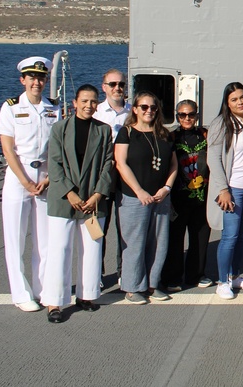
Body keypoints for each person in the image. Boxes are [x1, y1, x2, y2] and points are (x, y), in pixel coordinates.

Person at [42, 84, 115, 323]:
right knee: (59, 250)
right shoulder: (59, 129)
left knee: (92, 248)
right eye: (84, 101)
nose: (88, 106)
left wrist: (97, 194)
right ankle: (55, 301)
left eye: (93, 102)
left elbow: (108, 165)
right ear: (74, 103)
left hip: (92, 199)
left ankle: (87, 295)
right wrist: (70, 193)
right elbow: (54, 165)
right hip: (64, 199)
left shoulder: (103, 131)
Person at [0, 56, 59, 312]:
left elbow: (57, 147)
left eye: (41, 77)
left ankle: (43, 289)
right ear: (23, 80)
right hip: (18, 176)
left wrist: (48, 178)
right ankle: (21, 293)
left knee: (45, 240)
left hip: (45, 176)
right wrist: (24, 181)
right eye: (32, 77)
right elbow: (8, 149)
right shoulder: (10, 107)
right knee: (15, 239)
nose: (37, 82)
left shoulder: (53, 108)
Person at [115, 93, 177, 304]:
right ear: (135, 109)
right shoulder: (127, 133)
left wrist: (167, 188)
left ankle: (152, 284)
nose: (148, 110)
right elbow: (121, 163)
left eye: (152, 107)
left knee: (160, 242)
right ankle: (133, 287)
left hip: (160, 198)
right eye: (143, 107)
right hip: (134, 197)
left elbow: (173, 165)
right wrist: (140, 191)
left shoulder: (165, 135)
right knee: (135, 242)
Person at [207, 82, 243, 300]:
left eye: (242, 97)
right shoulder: (221, 123)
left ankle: (235, 275)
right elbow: (214, 159)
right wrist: (223, 189)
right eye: (234, 99)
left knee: (242, 236)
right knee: (229, 236)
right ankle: (223, 280)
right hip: (233, 187)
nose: (240, 102)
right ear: (227, 103)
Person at [162, 100, 213, 290]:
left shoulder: (205, 136)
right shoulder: (171, 137)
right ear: (177, 116)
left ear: (197, 116)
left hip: (202, 196)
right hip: (178, 197)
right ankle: (173, 277)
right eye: (182, 115)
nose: (187, 118)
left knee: (200, 237)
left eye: (191, 115)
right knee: (175, 239)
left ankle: (197, 274)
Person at [95, 68, 129, 278]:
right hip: (102, 178)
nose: (118, 88)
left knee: (125, 228)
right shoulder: (96, 113)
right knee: (99, 227)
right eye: (113, 84)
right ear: (104, 87)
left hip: (125, 177)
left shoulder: (134, 113)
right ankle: (96, 274)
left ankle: (124, 271)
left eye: (121, 85)